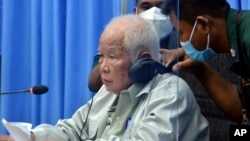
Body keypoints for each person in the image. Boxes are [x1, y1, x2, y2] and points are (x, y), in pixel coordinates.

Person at [1, 15, 209, 141]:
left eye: (112, 56)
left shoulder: (172, 94)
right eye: (101, 56)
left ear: (143, 60)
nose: (103, 67)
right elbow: (72, 130)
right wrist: (31, 137)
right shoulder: (110, 90)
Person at [160, 0, 250, 123]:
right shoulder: (240, 36)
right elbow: (243, 109)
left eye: (180, 33)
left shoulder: (248, 37)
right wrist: (201, 70)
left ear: (203, 24)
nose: (181, 42)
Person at [88, 0, 178, 92]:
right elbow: (93, 84)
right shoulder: (120, 39)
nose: (154, 12)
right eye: (146, 7)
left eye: (161, 7)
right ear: (136, 12)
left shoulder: (182, 40)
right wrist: (115, 55)